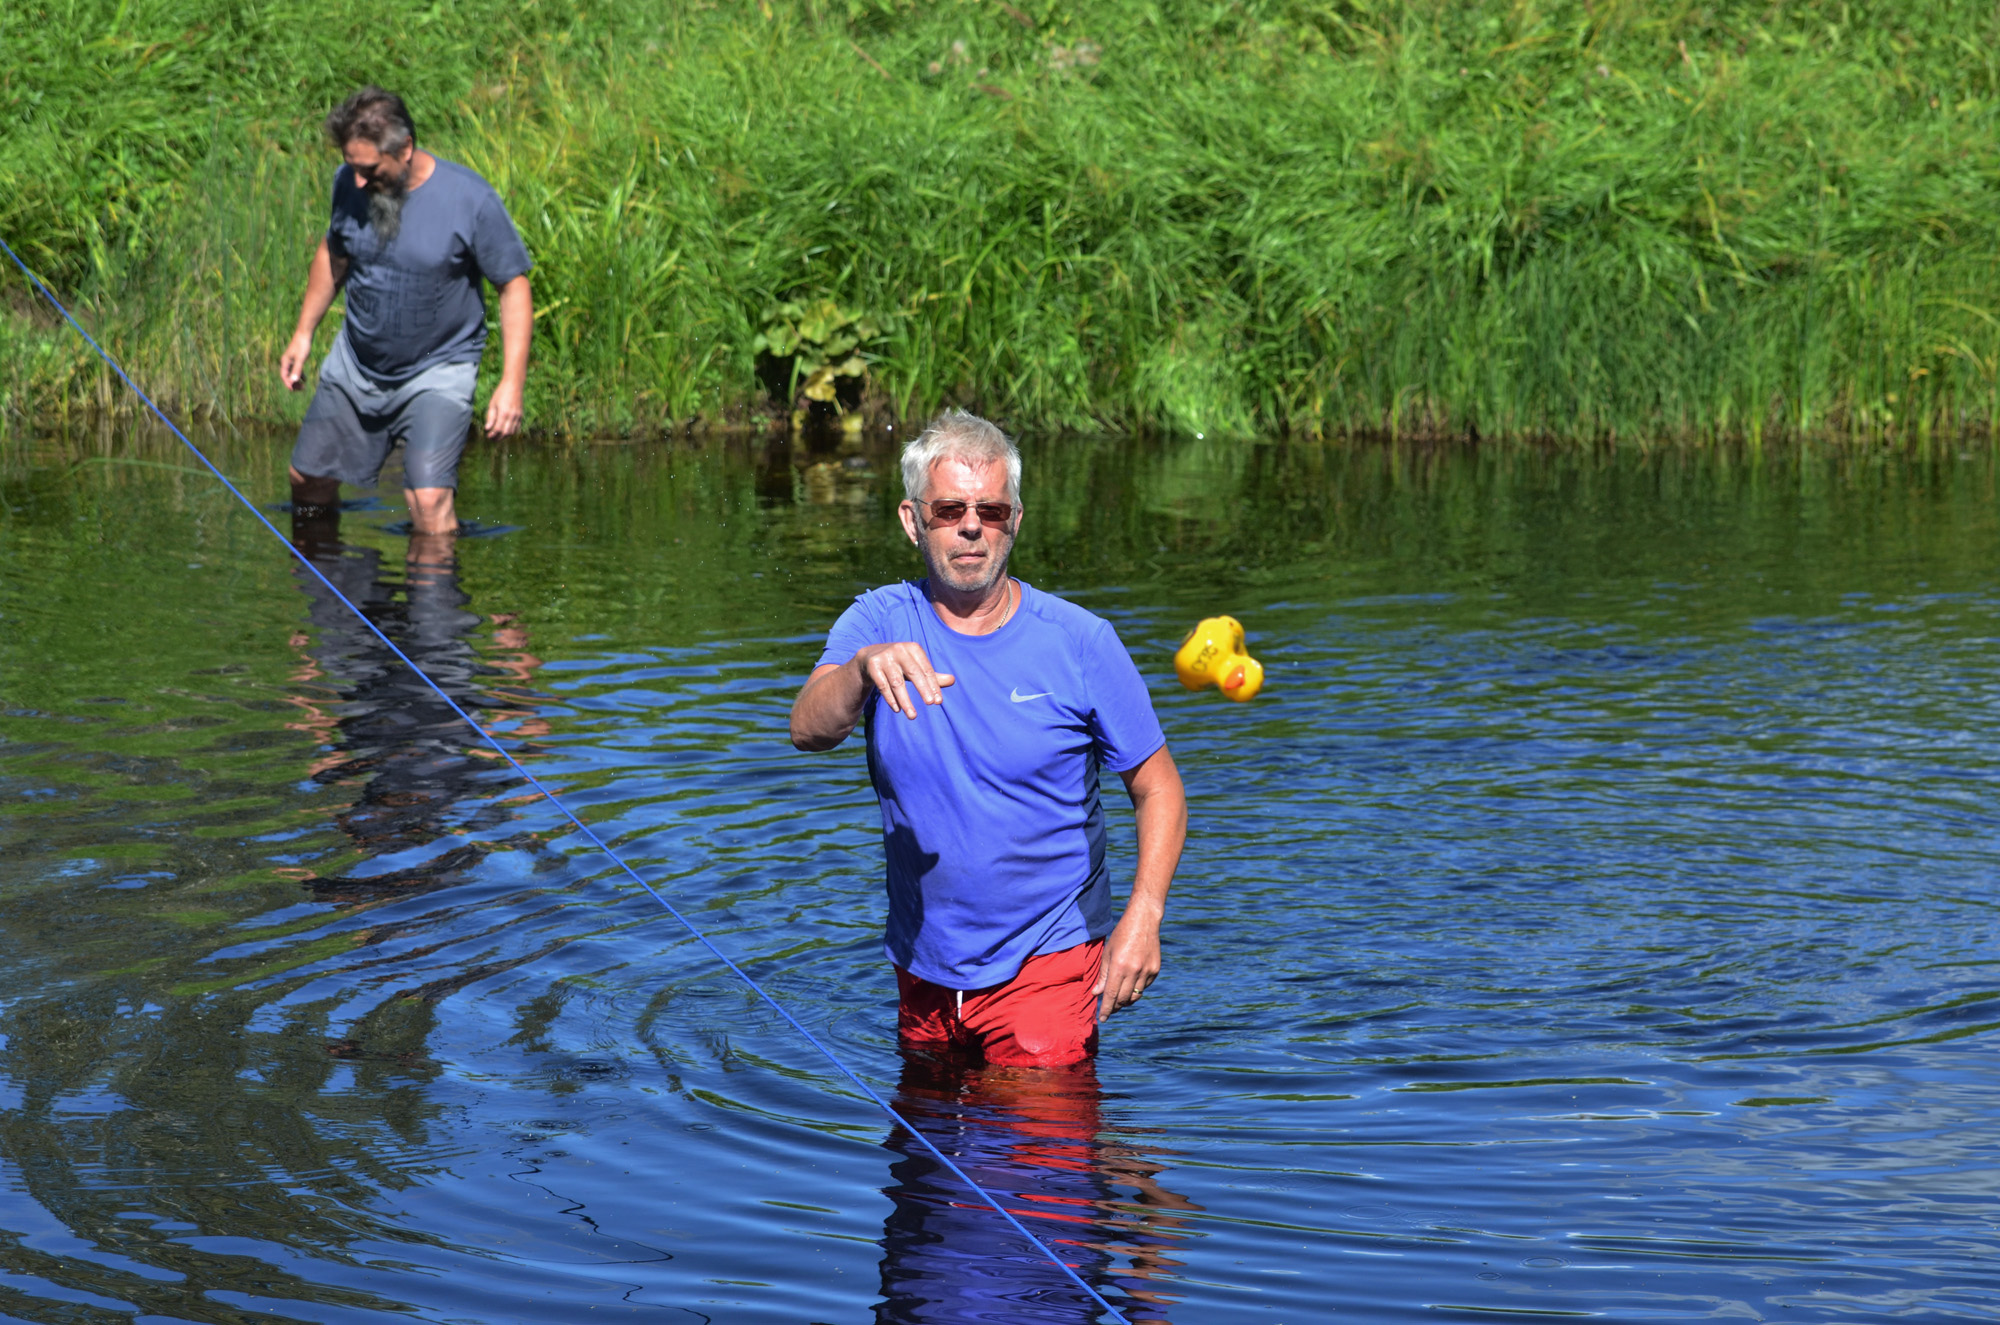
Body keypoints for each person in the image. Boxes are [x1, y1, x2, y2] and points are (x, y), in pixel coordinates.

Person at [790, 410, 1187, 1068]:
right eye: (949, 510)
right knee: (925, 1134)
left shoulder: (1081, 642)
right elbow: (808, 730)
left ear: (1016, 520)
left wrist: (1144, 916)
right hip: (922, 964)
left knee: (1035, 1129)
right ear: (913, 520)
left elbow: (1159, 788)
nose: (972, 526)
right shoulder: (876, 621)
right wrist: (860, 671)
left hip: (1048, 961)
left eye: (991, 510)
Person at [277, 86, 533, 537]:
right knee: (307, 480)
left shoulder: (470, 199)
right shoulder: (348, 183)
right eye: (353, 167)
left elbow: (513, 286)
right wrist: (303, 333)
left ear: (405, 149)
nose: (359, 181)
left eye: (370, 169)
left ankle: (436, 584)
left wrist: (511, 383)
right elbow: (333, 254)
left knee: (428, 501)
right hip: (357, 365)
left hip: (439, 369)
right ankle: (328, 575)